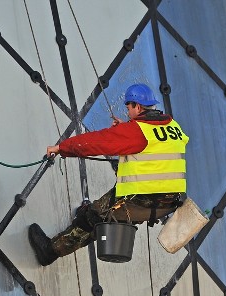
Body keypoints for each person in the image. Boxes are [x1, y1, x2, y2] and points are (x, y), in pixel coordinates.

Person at [29, 83, 189, 265]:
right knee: (100, 212)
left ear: (137, 106)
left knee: (90, 219)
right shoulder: (173, 127)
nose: (128, 112)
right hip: (167, 203)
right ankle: (91, 212)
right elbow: (153, 148)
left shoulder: (136, 132)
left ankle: (50, 251)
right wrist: (125, 129)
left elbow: (96, 142)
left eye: (129, 107)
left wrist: (61, 148)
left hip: (138, 199)